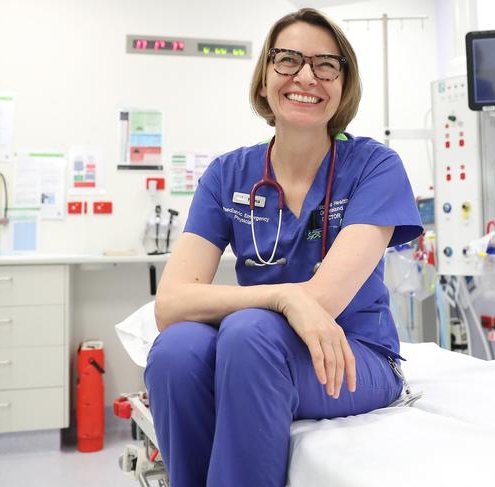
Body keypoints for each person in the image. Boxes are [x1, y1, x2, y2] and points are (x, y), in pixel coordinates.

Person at [144, 8, 423, 487]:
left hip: (353, 354)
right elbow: (171, 304)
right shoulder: (227, 175)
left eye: (326, 65)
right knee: (177, 349)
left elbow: (324, 301)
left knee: (248, 333)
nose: (306, 77)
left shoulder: (375, 167)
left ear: (343, 84)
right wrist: (281, 295)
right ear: (265, 77)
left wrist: (286, 299)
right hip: (253, 345)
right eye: (288, 60)